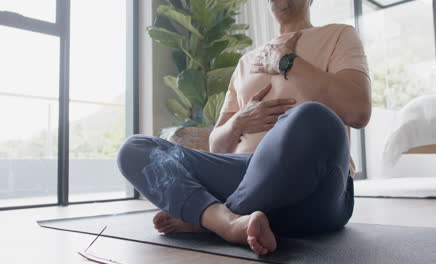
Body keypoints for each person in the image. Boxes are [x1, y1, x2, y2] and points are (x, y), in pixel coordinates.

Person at [117, 0, 371, 256]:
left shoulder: (339, 35)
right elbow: (217, 146)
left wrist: (285, 61)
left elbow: (358, 110)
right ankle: (228, 223)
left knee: (313, 116)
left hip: (317, 188)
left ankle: (210, 218)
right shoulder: (245, 63)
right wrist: (238, 122)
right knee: (135, 148)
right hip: (242, 173)